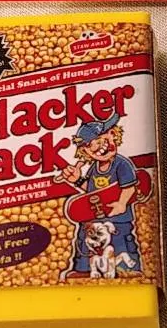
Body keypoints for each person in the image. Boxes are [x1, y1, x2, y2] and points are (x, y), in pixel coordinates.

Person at [59, 114, 141, 279]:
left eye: (104, 139)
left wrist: (121, 204)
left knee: (120, 239)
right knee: (84, 238)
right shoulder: (94, 168)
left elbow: (129, 187)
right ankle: (83, 269)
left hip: (118, 217)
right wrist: (77, 180)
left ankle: (127, 268)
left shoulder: (121, 164)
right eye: (93, 144)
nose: (101, 145)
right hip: (94, 216)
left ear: (114, 134)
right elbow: (91, 191)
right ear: (85, 151)